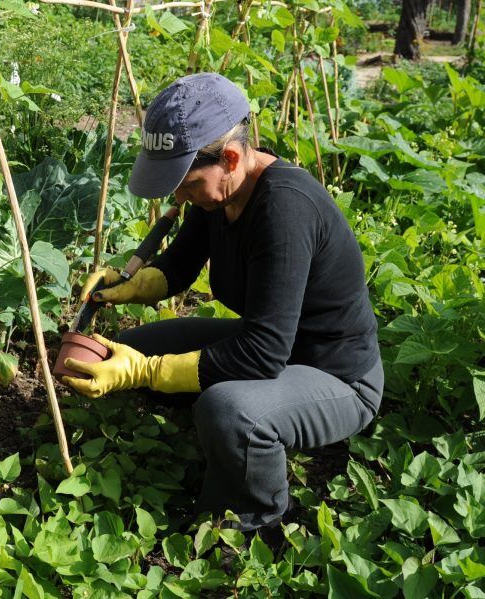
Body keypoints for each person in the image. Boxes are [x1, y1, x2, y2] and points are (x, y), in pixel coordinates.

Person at [63, 72, 383, 533]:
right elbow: (181, 264)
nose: (179, 196)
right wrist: (131, 282)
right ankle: (221, 441)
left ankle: (254, 521)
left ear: (231, 158)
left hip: (334, 374)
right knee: (135, 344)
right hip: (279, 347)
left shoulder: (284, 210)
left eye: (186, 183)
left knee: (229, 409)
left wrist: (146, 372)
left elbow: (263, 351)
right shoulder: (222, 193)